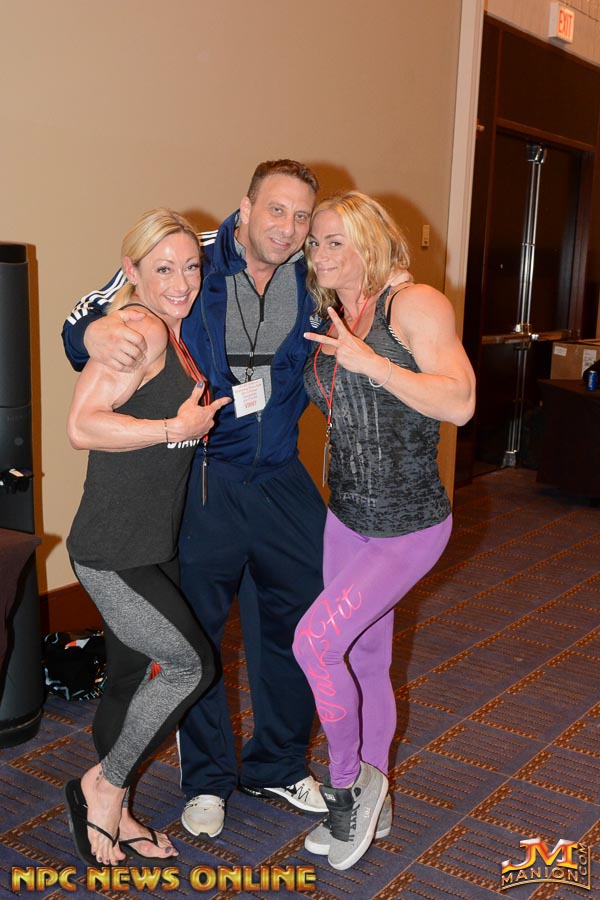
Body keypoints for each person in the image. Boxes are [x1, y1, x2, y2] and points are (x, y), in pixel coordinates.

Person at [61, 160, 329, 839]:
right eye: (276, 210)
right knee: (196, 636)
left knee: (297, 628)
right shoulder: (195, 254)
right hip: (207, 478)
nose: (288, 227)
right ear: (247, 206)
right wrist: (90, 333)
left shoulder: (312, 271)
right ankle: (207, 780)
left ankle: (278, 764)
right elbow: (88, 314)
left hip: (282, 477)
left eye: (301, 215)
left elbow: (370, 280)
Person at [293, 191, 476, 871]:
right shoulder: (337, 312)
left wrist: (372, 363)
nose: (320, 254)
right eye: (315, 242)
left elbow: (461, 401)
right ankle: (380, 797)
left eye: (335, 241)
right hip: (347, 516)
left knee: (314, 645)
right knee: (364, 658)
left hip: (407, 526)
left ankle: (351, 789)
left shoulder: (414, 304)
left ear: (371, 242)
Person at [63, 208, 231, 866]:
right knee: (190, 665)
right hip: (112, 550)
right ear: (131, 271)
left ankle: (117, 804)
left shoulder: (175, 331)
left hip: (150, 545)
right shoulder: (139, 328)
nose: (181, 281)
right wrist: (173, 430)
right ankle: (103, 789)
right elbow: (82, 426)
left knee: (133, 676)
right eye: (164, 268)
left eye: (190, 266)